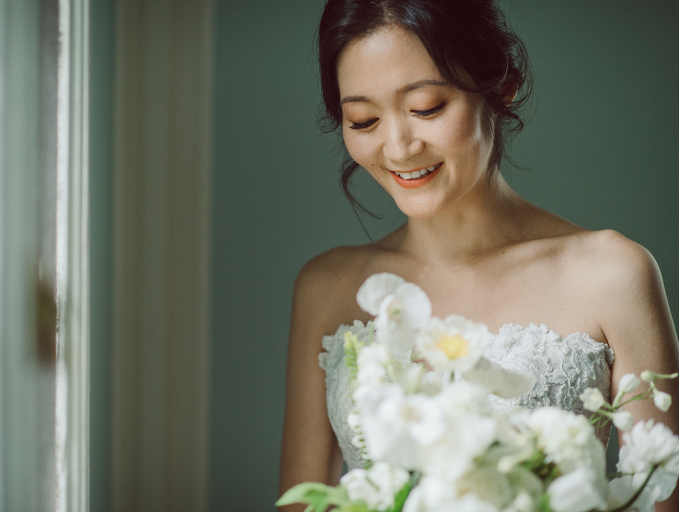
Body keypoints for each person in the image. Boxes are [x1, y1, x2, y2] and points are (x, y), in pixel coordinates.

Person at [278, 0, 679, 511]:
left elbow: (662, 498)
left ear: (500, 84)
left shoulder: (613, 274)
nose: (398, 147)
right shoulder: (327, 287)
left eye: (426, 108)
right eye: (363, 119)